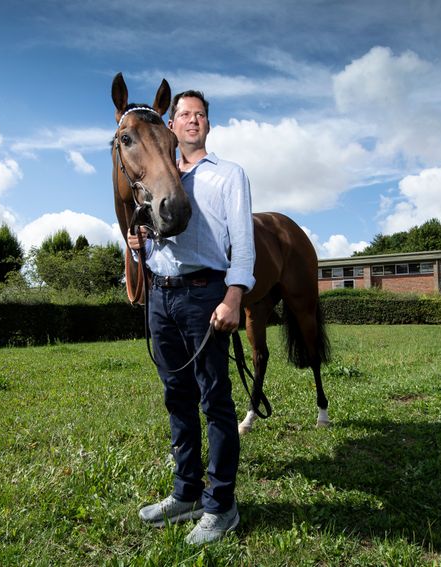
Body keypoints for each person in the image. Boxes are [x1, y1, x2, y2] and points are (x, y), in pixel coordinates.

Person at [128, 89, 255, 545]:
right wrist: (141, 246)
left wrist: (234, 297)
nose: (192, 120)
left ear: (207, 124)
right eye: (184, 114)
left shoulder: (228, 175)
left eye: (199, 114)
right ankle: (186, 492)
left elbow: (243, 242)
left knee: (214, 400)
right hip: (161, 297)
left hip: (206, 295)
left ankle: (222, 504)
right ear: (172, 125)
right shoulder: (160, 177)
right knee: (175, 396)